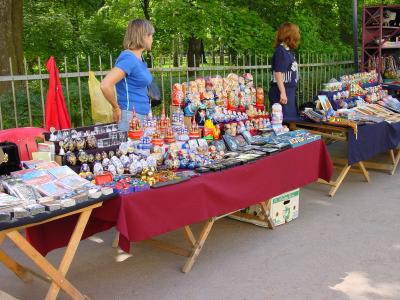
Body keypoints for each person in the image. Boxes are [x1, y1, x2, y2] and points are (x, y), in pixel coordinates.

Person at [100, 19, 154, 131]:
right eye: (151, 35)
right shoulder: (129, 58)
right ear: (144, 36)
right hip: (131, 117)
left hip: (142, 115)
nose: (152, 39)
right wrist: (115, 108)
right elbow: (105, 85)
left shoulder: (140, 58)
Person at [268, 23, 300, 121]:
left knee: (290, 122)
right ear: (290, 35)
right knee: (282, 122)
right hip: (281, 93)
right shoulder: (281, 51)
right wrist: (283, 93)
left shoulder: (287, 51)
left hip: (288, 92)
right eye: (297, 33)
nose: (298, 35)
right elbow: (278, 73)